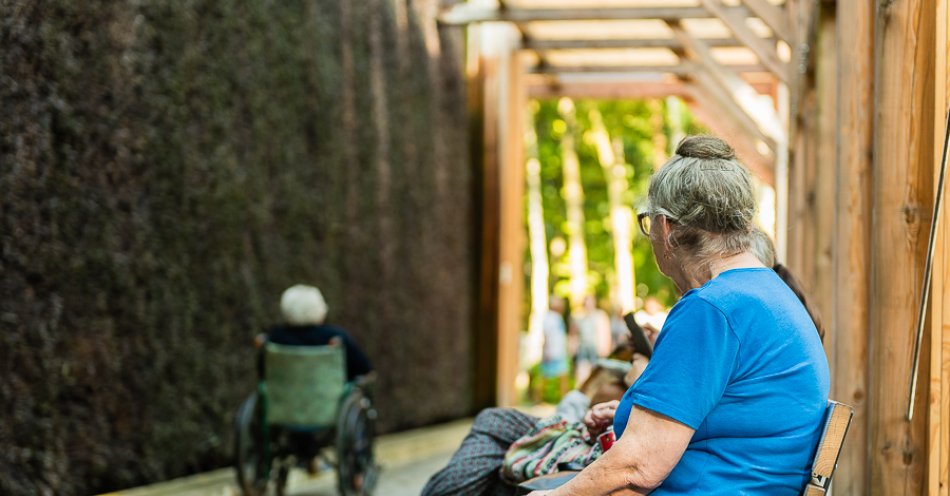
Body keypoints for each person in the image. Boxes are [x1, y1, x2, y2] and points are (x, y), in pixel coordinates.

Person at [529, 136, 830, 495]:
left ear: (666, 228)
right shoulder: (768, 292)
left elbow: (638, 464)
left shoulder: (712, 308)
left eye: (648, 223)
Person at [264, 284, 373, 381]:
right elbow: (366, 372)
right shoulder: (335, 336)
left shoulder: (275, 338)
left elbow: (263, 374)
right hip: (330, 401)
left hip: (282, 401)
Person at [572, 295, 613, 384]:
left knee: (596, 373)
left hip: (596, 349)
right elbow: (575, 334)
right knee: (582, 372)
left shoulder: (600, 315)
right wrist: (573, 349)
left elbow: (606, 332)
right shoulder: (579, 317)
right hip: (583, 348)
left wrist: (606, 348)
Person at [538, 295, 570, 399]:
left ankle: (563, 398)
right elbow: (547, 336)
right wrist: (546, 351)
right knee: (546, 376)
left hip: (558, 351)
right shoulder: (549, 318)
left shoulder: (557, 317)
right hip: (552, 352)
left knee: (561, 376)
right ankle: (539, 398)